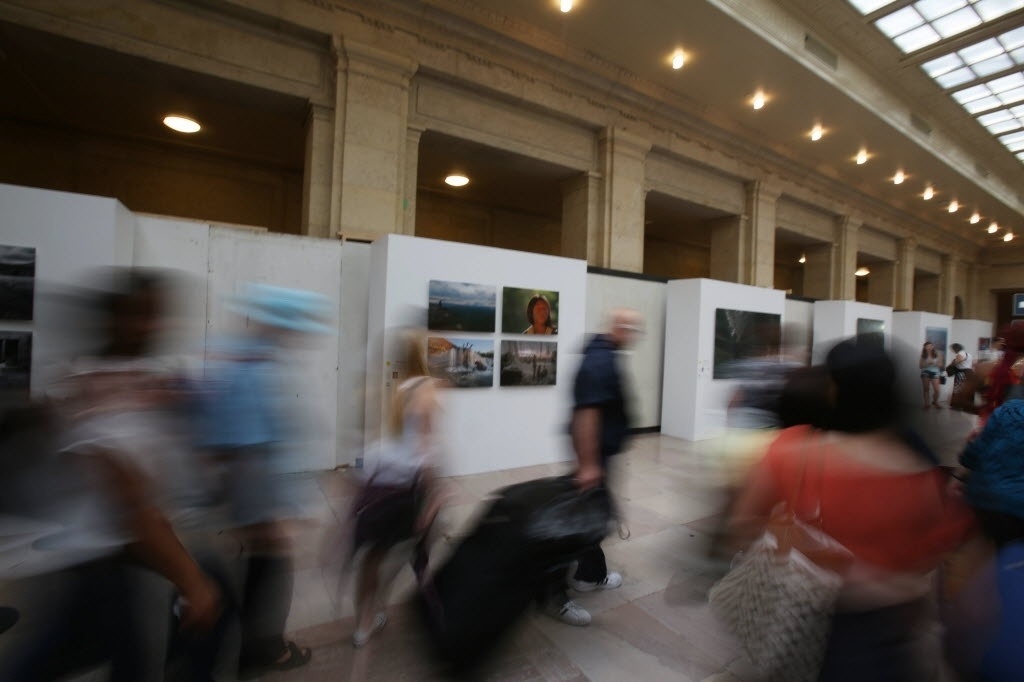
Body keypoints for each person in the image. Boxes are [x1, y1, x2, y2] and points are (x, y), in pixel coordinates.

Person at [728, 339, 974, 680]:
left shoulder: (794, 451)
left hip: (803, 618)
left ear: (834, 389)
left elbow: (743, 521)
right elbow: (931, 559)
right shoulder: (921, 473)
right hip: (888, 637)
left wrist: (809, 547)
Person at [193, 284, 331, 677]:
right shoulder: (252, 371)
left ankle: (252, 646)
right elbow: (246, 452)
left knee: (257, 577)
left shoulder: (255, 361)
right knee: (264, 578)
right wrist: (265, 520)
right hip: (257, 504)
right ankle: (258, 650)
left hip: (256, 500)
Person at [544, 308, 642, 626]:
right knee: (588, 517)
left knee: (589, 514)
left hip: (597, 453)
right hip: (594, 455)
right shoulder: (600, 360)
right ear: (621, 328)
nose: (636, 336)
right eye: (634, 330)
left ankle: (588, 572)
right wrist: (588, 465)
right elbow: (587, 414)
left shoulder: (603, 352)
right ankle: (578, 579)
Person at [350, 333, 443, 647]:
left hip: (379, 482)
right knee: (417, 553)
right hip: (405, 487)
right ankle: (438, 616)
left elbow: (388, 440)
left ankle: (363, 624)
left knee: (374, 555)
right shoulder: (426, 388)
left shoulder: (398, 390)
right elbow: (425, 449)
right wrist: (433, 499)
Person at [948, 343, 974, 411]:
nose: (952, 351)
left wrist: (952, 363)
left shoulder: (960, 354)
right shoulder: (969, 354)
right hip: (969, 372)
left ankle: (957, 405)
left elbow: (957, 362)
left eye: (952, 349)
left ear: (955, 348)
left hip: (961, 373)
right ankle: (968, 405)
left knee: (958, 389)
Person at [919, 341, 942, 409]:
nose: (929, 347)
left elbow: (940, 364)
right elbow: (920, 366)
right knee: (926, 389)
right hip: (925, 372)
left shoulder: (938, 353)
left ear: (933, 347)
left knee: (937, 390)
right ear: (925, 347)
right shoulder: (923, 355)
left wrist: (933, 363)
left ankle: (935, 401)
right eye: (927, 346)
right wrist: (927, 364)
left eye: (931, 346)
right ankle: (926, 404)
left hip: (935, 372)